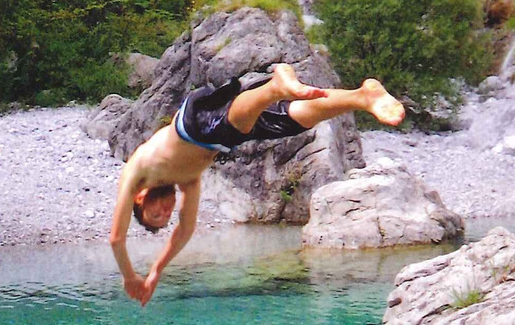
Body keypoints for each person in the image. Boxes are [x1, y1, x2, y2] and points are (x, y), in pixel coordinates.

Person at [109, 63, 405, 304]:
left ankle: (275, 86)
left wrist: (129, 276)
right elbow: (185, 230)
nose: (166, 211)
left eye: (155, 213)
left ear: (140, 199)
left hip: (195, 122)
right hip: (223, 130)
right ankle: (363, 96)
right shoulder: (188, 181)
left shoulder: (137, 171)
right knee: (294, 118)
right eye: (166, 216)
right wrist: (156, 271)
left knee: (229, 128)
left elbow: (116, 239)